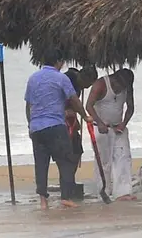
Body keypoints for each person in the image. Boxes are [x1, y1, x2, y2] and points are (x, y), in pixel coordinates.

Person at [25, 56, 92, 210]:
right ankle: (65, 198)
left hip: (37, 128)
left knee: (41, 164)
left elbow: (28, 105)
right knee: (66, 161)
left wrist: (30, 124)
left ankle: (43, 201)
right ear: (59, 62)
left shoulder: (33, 78)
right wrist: (85, 116)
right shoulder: (61, 78)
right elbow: (74, 99)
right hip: (55, 126)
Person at [85, 68, 136, 201]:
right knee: (103, 161)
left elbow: (130, 107)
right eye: (119, 86)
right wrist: (99, 122)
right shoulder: (100, 85)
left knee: (123, 157)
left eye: (124, 87)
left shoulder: (127, 87)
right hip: (101, 128)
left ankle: (123, 192)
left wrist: (123, 124)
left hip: (118, 127)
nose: (120, 90)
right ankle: (104, 191)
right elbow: (88, 106)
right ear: (114, 79)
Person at [63, 67, 99, 166]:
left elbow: (74, 105)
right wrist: (84, 116)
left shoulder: (78, 84)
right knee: (68, 151)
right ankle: (67, 179)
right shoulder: (67, 79)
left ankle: (69, 178)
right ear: (83, 77)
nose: (87, 88)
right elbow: (72, 101)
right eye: (88, 84)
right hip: (59, 117)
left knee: (77, 149)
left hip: (69, 117)